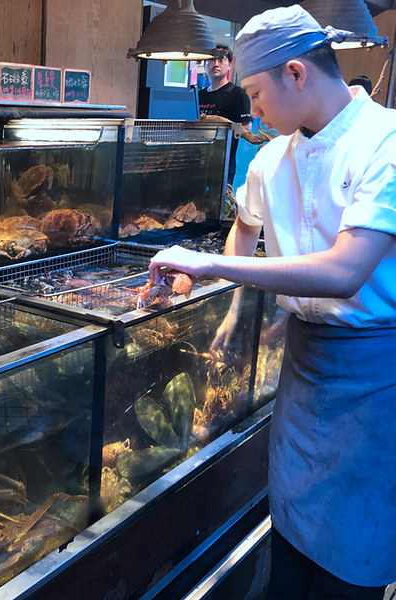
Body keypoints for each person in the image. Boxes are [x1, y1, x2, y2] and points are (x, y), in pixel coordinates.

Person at [149, 6, 396, 600]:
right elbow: (247, 229)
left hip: (376, 376)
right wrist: (238, 317)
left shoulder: (383, 144)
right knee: (288, 543)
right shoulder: (270, 159)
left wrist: (208, 264)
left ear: (295, 73)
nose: (252, 111)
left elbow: (344, 269)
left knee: (350, 563)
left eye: (256, 94)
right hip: (304, 369)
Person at [198, 45, 252, 192]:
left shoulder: (237, 94)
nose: (215, 64)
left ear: (230, 64)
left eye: (221, 60)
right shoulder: (199, 95)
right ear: (204, 64)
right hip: (198, 162)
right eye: (211, 60)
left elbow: (246, 129)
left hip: (223, 165)